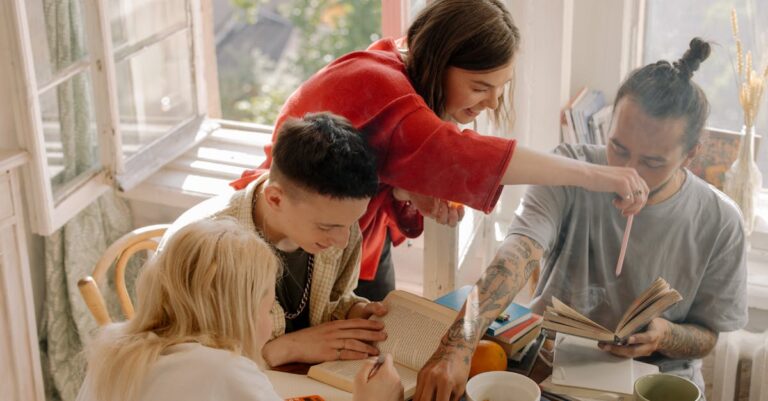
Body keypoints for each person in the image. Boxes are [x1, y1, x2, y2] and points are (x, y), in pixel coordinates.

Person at [230, 0, 649, 302]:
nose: (491, 103)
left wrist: (405, 189)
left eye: (500, 88)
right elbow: (464, 154)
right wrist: (597, 174)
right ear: (437, 60)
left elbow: (383, 154)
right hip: (296, 239)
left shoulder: (398, 58)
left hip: (355, 243)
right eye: (480, 87)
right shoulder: (382, 86)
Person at [414, 38, 748, 401]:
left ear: (691, 154)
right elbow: (517, 254)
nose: (628, 172)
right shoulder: (568, 167)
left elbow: (707, 336)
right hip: (553, 368)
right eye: (618, 147)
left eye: (652, 162)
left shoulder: (722, 222)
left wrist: (665, 335)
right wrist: (458, 344)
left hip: (657, 383)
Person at [76, 219, 404, 401]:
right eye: (267, 309)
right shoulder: (222, 371)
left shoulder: (114, 348)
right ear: (239, 313)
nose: (269, 322)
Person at [161, 113, 390, 367]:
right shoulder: (206, 248)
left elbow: (334, 300)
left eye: (352, 222)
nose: (343, 241)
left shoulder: (338, 221)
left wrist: (353, 313)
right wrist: (282, 350)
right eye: (328, 226)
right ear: (275, 199)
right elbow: (183, 362)